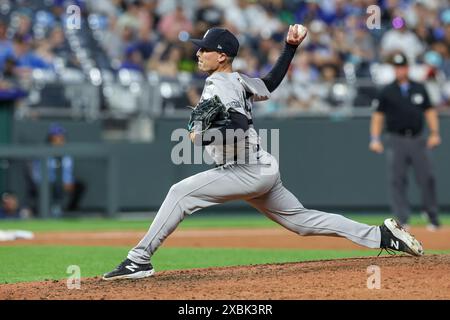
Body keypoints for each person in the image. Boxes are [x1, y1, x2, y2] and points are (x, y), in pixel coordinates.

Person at [103, 25, 424, 281]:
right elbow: (270, 83)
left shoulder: (220, 84)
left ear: (223, 55)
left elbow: (239, 127)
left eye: (205, 49)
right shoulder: (238, 80)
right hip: (259, 167)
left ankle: (138, 260)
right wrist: (290, 48)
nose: (198, 53)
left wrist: (201, 137)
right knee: (302, 221)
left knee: (179, 193)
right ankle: (382, 235)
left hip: (244, 169)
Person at [369, 52, 441, 231]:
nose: (400, 70)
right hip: (396, 139)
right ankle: (402, 219)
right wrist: (375, 138)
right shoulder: (387, 90)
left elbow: (430, 111)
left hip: (417, 139)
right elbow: (378, 116)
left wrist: (434, 133)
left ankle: (432, 216)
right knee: (397, 180)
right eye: (397, 67)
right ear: (394, 69)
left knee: (427, 178)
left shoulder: (419, 88)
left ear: (408, 68)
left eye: (403, 67)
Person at [26, 123, 85, 217]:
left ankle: (70, 211)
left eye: (61, 137)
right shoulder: (43, 151)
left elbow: (68, 171)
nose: (60, 139)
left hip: (62, 183)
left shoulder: (66, 154)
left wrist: (68, 181)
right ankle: (51, 210)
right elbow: (37, 173)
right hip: (45, 182)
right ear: (51, 138)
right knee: (54, 185)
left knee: (80, 186)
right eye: (57, 137)